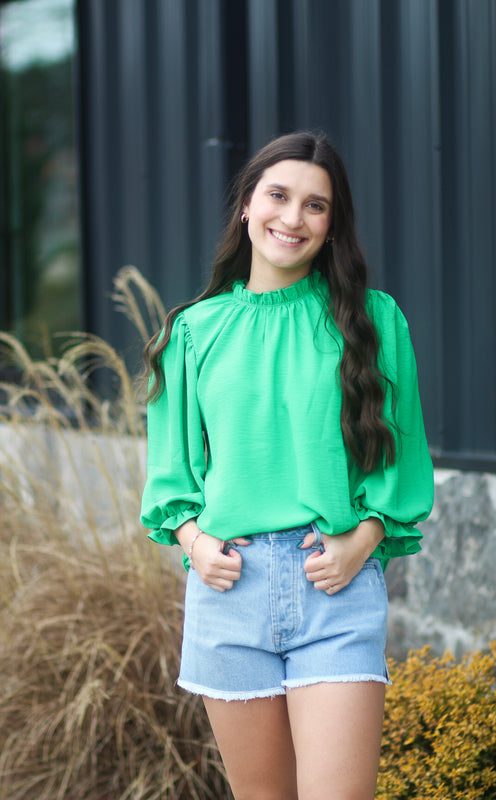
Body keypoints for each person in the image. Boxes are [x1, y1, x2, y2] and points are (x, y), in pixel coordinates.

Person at [140, 131, 434, 800]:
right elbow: (172, 473)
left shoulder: (373, 320)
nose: (292, 218)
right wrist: (193, 540)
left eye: (315, 206)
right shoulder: (192, 331)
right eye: (277, 195)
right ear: (246, 206)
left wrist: (364, 540)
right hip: (228, 591)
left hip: (331, 586)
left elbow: (402, 455)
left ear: (332, 227)